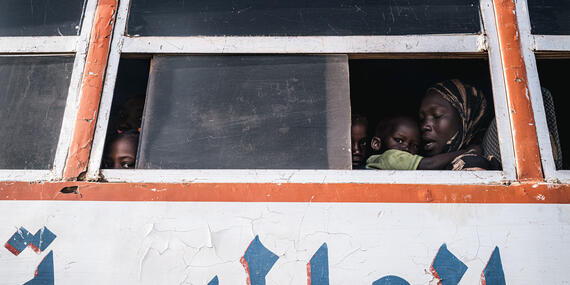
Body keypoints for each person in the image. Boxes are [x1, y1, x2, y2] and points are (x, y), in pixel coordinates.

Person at [419, 79, 493, 170]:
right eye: (421, 119)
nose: (424, 126)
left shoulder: (472, 166)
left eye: (437, 115)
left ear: (464, 120)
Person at [366, 116, 468, 170]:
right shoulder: (390, 157)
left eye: (414, 145)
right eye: (399, 140)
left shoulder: (376, 161)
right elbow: (430, 164)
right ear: (376, 144)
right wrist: (467, 152)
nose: (406, 148)